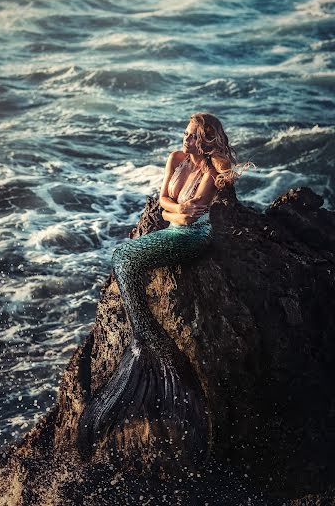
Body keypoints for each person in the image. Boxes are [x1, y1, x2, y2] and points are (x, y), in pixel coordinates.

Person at [78, 113, 250, 461]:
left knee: (124, 256)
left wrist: (178, 211)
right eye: (186, 134)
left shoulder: (211, 173)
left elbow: (192, 215)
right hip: (173, 230)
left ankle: (147, 340)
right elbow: (165, 204)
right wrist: (176, 209)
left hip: (194, 237)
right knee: (124, 256)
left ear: (206, 140)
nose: (185, 140)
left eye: (193, 136)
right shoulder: (175, 159)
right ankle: (144, 336)